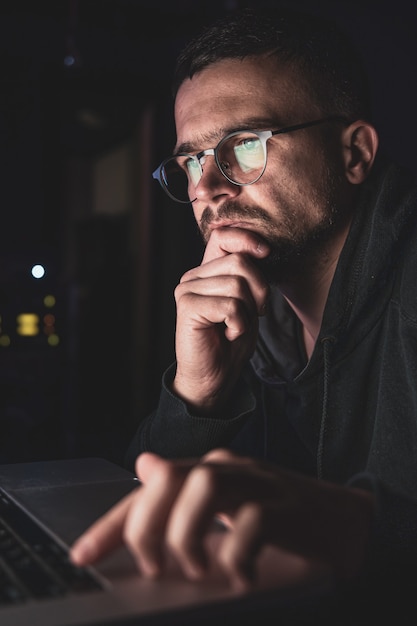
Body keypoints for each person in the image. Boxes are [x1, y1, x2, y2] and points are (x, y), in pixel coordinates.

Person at [70, 6, 417, 607]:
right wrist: (196, 394)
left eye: (246, 145)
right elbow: (141, 519)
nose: (205, 187)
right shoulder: (251, 312)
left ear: (354, 153)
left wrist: (347, 526)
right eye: (191, 160)